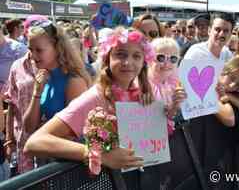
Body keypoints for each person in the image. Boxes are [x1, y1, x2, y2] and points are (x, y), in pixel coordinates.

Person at [24, 27, 158, 170]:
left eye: (136, 56)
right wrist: (99, 155)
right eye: (120, 54)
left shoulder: (141, 94)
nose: (127, 62)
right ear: (107, 59)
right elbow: (34, 143)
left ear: (144, 61)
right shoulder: (95, 97)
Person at [6, 19, 90, 174]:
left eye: (39, 50)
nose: (32, 55)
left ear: (57, 48)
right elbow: (29, 127)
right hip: (50, 161)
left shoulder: (73, 81)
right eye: (30, 49)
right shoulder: (45, 76)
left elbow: (74, 134)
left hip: (67, 166)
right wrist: (37, 92)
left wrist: (41, 138)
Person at [148, 37, 187, 134]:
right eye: (161, 58)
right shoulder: (141, 84)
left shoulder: (180, 84)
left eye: (173, 59)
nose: (167, 63)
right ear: (149, 58)